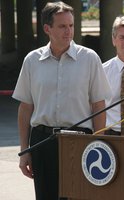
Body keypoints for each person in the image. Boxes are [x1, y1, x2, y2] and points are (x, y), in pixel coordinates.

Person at [12, 2, 111, 200]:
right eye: (62, 26)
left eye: (71, 26)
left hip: (80, 141)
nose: (69, 31)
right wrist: (24, 150)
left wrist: (98, 144)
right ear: (47, 29)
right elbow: (25, 107)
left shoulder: (90, 59)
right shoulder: (31, 60)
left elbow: (98, 106)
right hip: (42, 141)